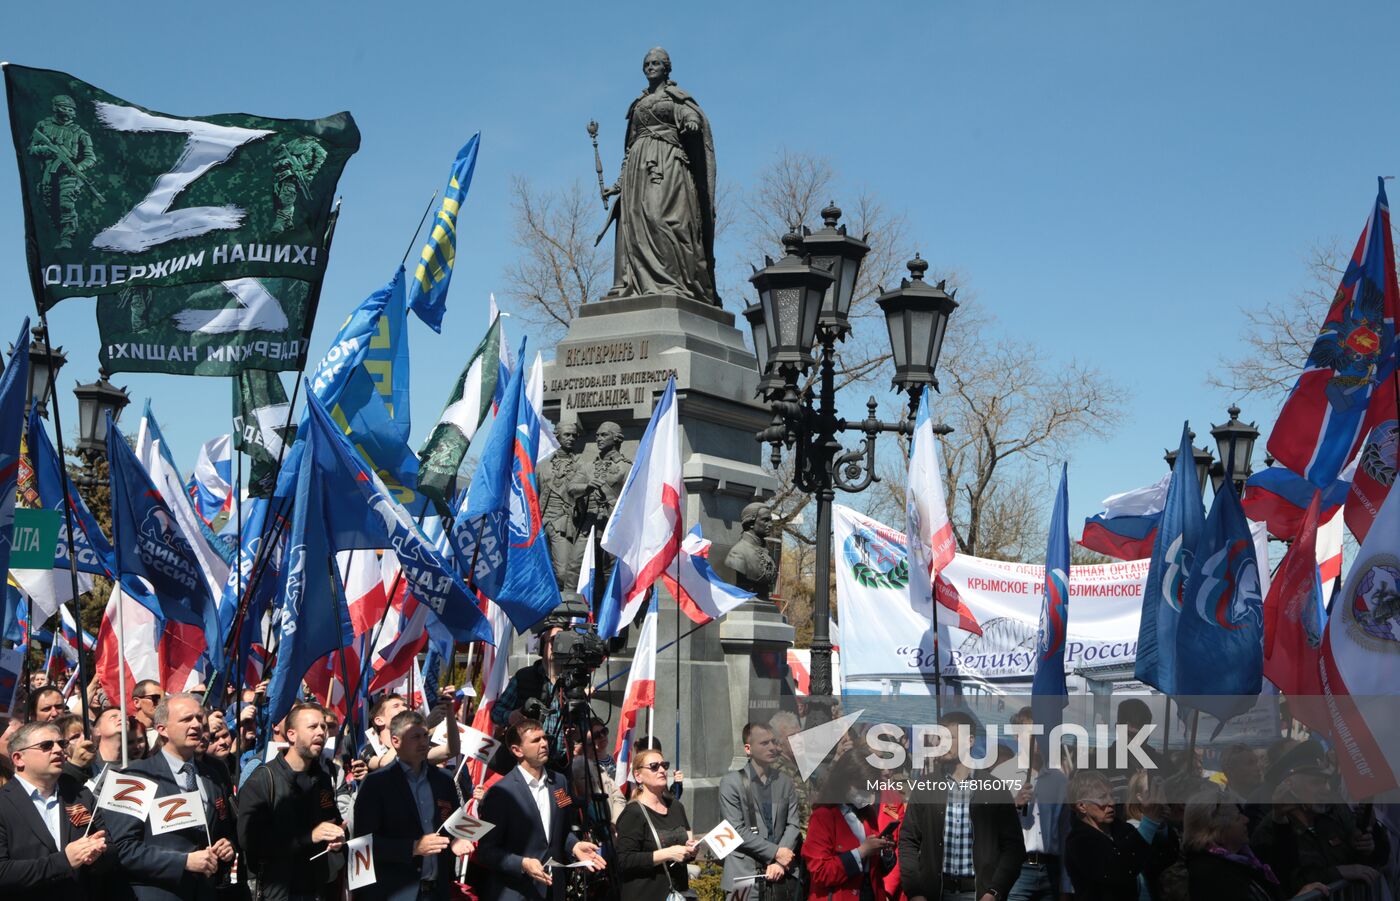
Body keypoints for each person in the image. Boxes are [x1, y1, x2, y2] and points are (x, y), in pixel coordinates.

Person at [602, 47, 718, 304]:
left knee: (661, 218)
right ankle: (641, 283)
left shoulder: (676, 97)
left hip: (667, 162)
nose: (650, 67)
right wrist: (619, 184)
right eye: (647, 64)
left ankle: (673, 281)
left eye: (656, 63)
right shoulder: (638, 104)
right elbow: (630, 146)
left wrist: (692, 122)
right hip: (638, 169)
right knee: (635, 223)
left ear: (666, 68)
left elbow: (690, 114)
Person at [103, 693, 238, 901]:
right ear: (162, 729)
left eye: (199, 718)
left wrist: (226, 846)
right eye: (186, 719)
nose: (196, 725)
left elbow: (224, 828)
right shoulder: (133, 777)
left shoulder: (214, 773)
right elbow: (121, 848)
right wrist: (183, 862)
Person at [472, 719, 607, 901]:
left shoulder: (560, 783)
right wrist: (522, 863)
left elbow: (562, 829)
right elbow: (486, 852)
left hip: (553, 890)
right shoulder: (500, 793)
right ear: (517, 750)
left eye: (544, 738)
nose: (544, 744)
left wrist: (574, 846)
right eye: (535, 740)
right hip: (517, 892)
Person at [897, 711, 1023, 901]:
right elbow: (908, 841)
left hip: (978, 894)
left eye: (950, 737)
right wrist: (915, 892)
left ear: (970, 740)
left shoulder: (995, 788)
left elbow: (1013, 847)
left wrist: (995, 892)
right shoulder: (925, 786)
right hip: (934, 893)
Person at [352, 710, 474, 901]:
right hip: (394, 892)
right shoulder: (376, 784)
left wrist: (459, 838)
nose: (424, 742)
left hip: (437, 891)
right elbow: (361, 846)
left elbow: (452, 820)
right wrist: (413, 847)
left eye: (426, 735)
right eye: (415, 736)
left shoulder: (444, 779)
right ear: (396, 741)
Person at [237, 702, 345, 901]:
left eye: (323, 727)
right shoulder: (263, 779)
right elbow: (249, 839)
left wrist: (338, 837)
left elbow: (331, 819)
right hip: (278, 892)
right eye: (312, 727)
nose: (321, 732)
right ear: (292, 735)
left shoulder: (321, 777)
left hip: (318, 889)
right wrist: (308, 837)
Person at [0, 720, 110, 900]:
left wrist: (98, 854)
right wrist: (64, 861)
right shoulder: (3, 803)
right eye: (46, 745)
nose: (59, 750)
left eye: (62, 743)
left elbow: (109, 847)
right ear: (19, 759)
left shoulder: (79, 794)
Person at [1181, 787, 1329, 901]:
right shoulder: (1208, 874)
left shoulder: (1244, 859)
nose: (1246, 820)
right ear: (1218, 828)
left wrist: (1279, 817)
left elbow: (1282, 866)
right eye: (1238, 817)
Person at [717, 722, 801, 901]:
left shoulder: (785, 782)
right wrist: (776, 853)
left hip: (780, 873)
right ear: (748, 749)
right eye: (764, 743)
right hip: (742, 875)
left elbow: (793, 824)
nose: (772, 747)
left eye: (773, 742)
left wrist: (779, 862)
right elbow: (736, 830)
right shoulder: (731, 783)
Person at [801, 750, 893, 901]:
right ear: (845, 781)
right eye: (862, 786)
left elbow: (874, 869)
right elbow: (819, 873)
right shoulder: (823, 817)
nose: (867, 793)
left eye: (870, 788)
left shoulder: (867, 813)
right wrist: (861, 852)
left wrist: (884, 852)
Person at [614, 748, 697, 901]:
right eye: (654, 766)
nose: (661, 770)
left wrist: (691, 850)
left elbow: (686, 842)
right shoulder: (633, 813)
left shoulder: (676, 807)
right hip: (644, 894)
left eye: (664, 765)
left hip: (677, 893)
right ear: (638, 776)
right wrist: (668, 854)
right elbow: (624, 860)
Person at [1063, 771, 1157, 901]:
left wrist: (1160, 825)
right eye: (1102, 798)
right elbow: (1114, 872)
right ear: (1081, 806)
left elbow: (1158, 859)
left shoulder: (1123, 829)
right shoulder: (1078, 841)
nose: (1111, 802)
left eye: (1112, 795)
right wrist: (1149, 823)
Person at [1007, 708, 1070, 901]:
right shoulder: (1001, 775)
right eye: (1030, 733)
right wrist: (1014, 806)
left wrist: (1066, 886)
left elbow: (1065, 833)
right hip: (1016, 870)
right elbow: (989, 829)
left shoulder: (1059, 780)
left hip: (1050, 870)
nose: (1036, 739)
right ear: (1017, 736)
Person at [26, 93, 97, 249]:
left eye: (71, 109)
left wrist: (78, 167)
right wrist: (46, 149)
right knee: (49, 204)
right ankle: (57, 234)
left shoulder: (80, 133)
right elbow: (31, 149)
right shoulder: (43, 126)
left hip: (69, 174)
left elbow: (91, 158)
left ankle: (67, 238)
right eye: (65, 108)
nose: (69, 112)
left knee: (66, 203)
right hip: (48, 172)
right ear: (55, 108)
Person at [490, 629, 566, 771]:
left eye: (563, 641)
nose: (558, 645)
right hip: (523, 768)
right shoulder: (524, 677)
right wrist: (510, 716)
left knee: (562, 795)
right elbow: (496, 713)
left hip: (557, 769)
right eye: (554, 640)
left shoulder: (571, 683)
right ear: (542, 646)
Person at [1106, 699, 1165, 801]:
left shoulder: (1163, 764)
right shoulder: (1098, 766)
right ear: (1117, 728)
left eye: (1143, 735)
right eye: (1131, 735)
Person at [132, 681, 164, 749]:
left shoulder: (166, 732)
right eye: (155, 698)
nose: (160, 703)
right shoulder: (126, 731)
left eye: (163, 699)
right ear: (137, 702)